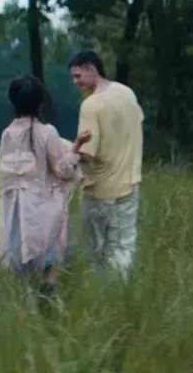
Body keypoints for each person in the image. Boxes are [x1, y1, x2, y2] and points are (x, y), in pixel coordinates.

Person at [0, 75, 91, 296]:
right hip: (40, 209)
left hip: (13, 212)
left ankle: (25, 309)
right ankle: (46, 305)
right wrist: (77, 147)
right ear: (40, 103)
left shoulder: (7, 135)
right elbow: (63, 170)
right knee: (49, 262)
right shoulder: (47, 132)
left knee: (21, 267)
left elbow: (2, 176)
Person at [68, 50, 144, 281]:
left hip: (98, 191)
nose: (76, 82)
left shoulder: (91, 106)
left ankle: (104, 297)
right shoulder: (127, 93)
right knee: (123, 245)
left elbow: (87, 155)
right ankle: (120, 297)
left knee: (97, 253)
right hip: (130, 184)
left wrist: (66, 151)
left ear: (92, 69)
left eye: (78, 76)